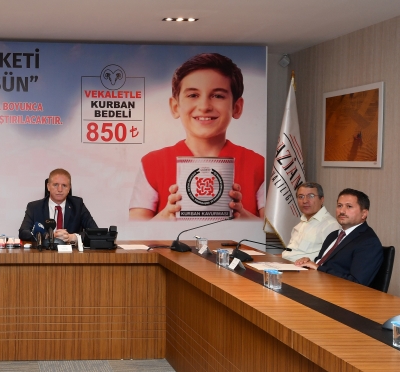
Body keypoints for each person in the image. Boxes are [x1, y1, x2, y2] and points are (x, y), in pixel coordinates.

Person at [129, 53, 265, 221]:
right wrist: (165, 217)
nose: (204, 106)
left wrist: (243, 217)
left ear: (237, 107)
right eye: (193, 95)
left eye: (218, 96)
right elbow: (135, 231)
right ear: (175, 107)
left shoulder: (258, 166)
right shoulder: (152, 164)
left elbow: (274, 232)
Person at [295, 188, 383, 286]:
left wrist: (318, 268)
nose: (342, 211)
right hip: (316, 284)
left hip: (337, 292)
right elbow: (322, 264)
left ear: (364, 214)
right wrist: (309, 263)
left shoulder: (368, 242)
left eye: (349, 206)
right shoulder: (333, 235)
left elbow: (356, 283)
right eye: (339, 206)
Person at [18, 168, 98, 243]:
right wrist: (48, 236)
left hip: (71, 252)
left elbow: (95, 232)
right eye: (55, 185)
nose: (60, 189)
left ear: (69, 188)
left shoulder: (77, 205)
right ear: (48, 187)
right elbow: (23, 232)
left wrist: (73, 237)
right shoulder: (34, 207)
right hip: (44, 252)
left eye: (64, 185)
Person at [281, 182, 341, 262]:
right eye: (301, 196)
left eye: (311, 196)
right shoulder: (302, 222)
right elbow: (290, 254)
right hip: (285, 264)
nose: (305, 201)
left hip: (303, 268)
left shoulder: (330, 225)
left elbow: (330, 259)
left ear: (321, 200)